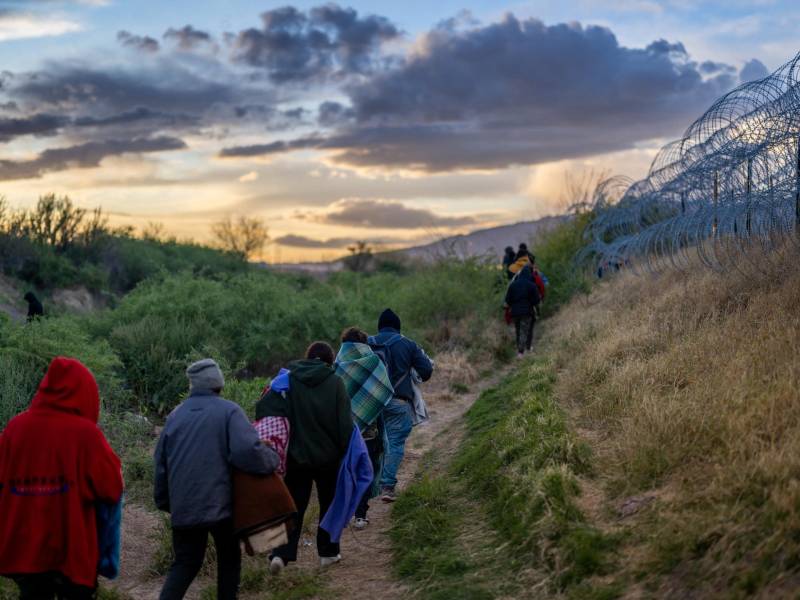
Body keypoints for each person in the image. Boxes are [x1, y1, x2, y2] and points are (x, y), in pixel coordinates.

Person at [154, 358, 279, 600]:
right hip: (221, 507)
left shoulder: (174, 416)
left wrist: (166, 502)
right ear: (218, 384)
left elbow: (160, 466)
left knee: (185, 564)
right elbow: (247, 452)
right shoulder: (229, 411)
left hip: (184, 507)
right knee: (229, 561)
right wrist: (272, 460)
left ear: (193, 386)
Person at [0, 357, 124, 600]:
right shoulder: (86, 435)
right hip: (72, 552)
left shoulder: (15, 428)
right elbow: (112, 488)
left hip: (24, 552)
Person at [257, 342, 353, 574]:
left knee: (291, 507)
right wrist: (344, 452)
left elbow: (263, 410)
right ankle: (328, 553)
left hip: (295, 458)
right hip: (328, 459)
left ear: (307, 357)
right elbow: (344, 426)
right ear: (330, 361)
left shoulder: (288, 380)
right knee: (329, 505)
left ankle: (280, 554)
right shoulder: (335, 383)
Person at [369, 309, 434, 502]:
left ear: (379, 327)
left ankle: (365, 493)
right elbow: (426, 371)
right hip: (398, 401)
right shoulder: (408, 344)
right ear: (398, 327)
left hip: (370, 404)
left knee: (372, 445)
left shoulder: (367, 343)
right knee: (395, 442)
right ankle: (387, 486)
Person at [335, 327, 394, 529]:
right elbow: (382, 392)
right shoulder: (375, 363)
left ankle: (346, 513)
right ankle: (360, 514)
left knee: (347, 471)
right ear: (363, 343)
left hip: (343, 432)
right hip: (370, 431)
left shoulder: (336, 366)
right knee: (366, 471)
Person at [504, 265, 541, 357]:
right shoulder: (532, 285)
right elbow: (536, 300)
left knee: (518, 330)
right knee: (525, 330)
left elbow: (508, 300)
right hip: (527, 312)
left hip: (515, 312)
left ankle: (520, 349)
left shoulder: (513, 285)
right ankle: (521, 351)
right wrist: (536, 308)